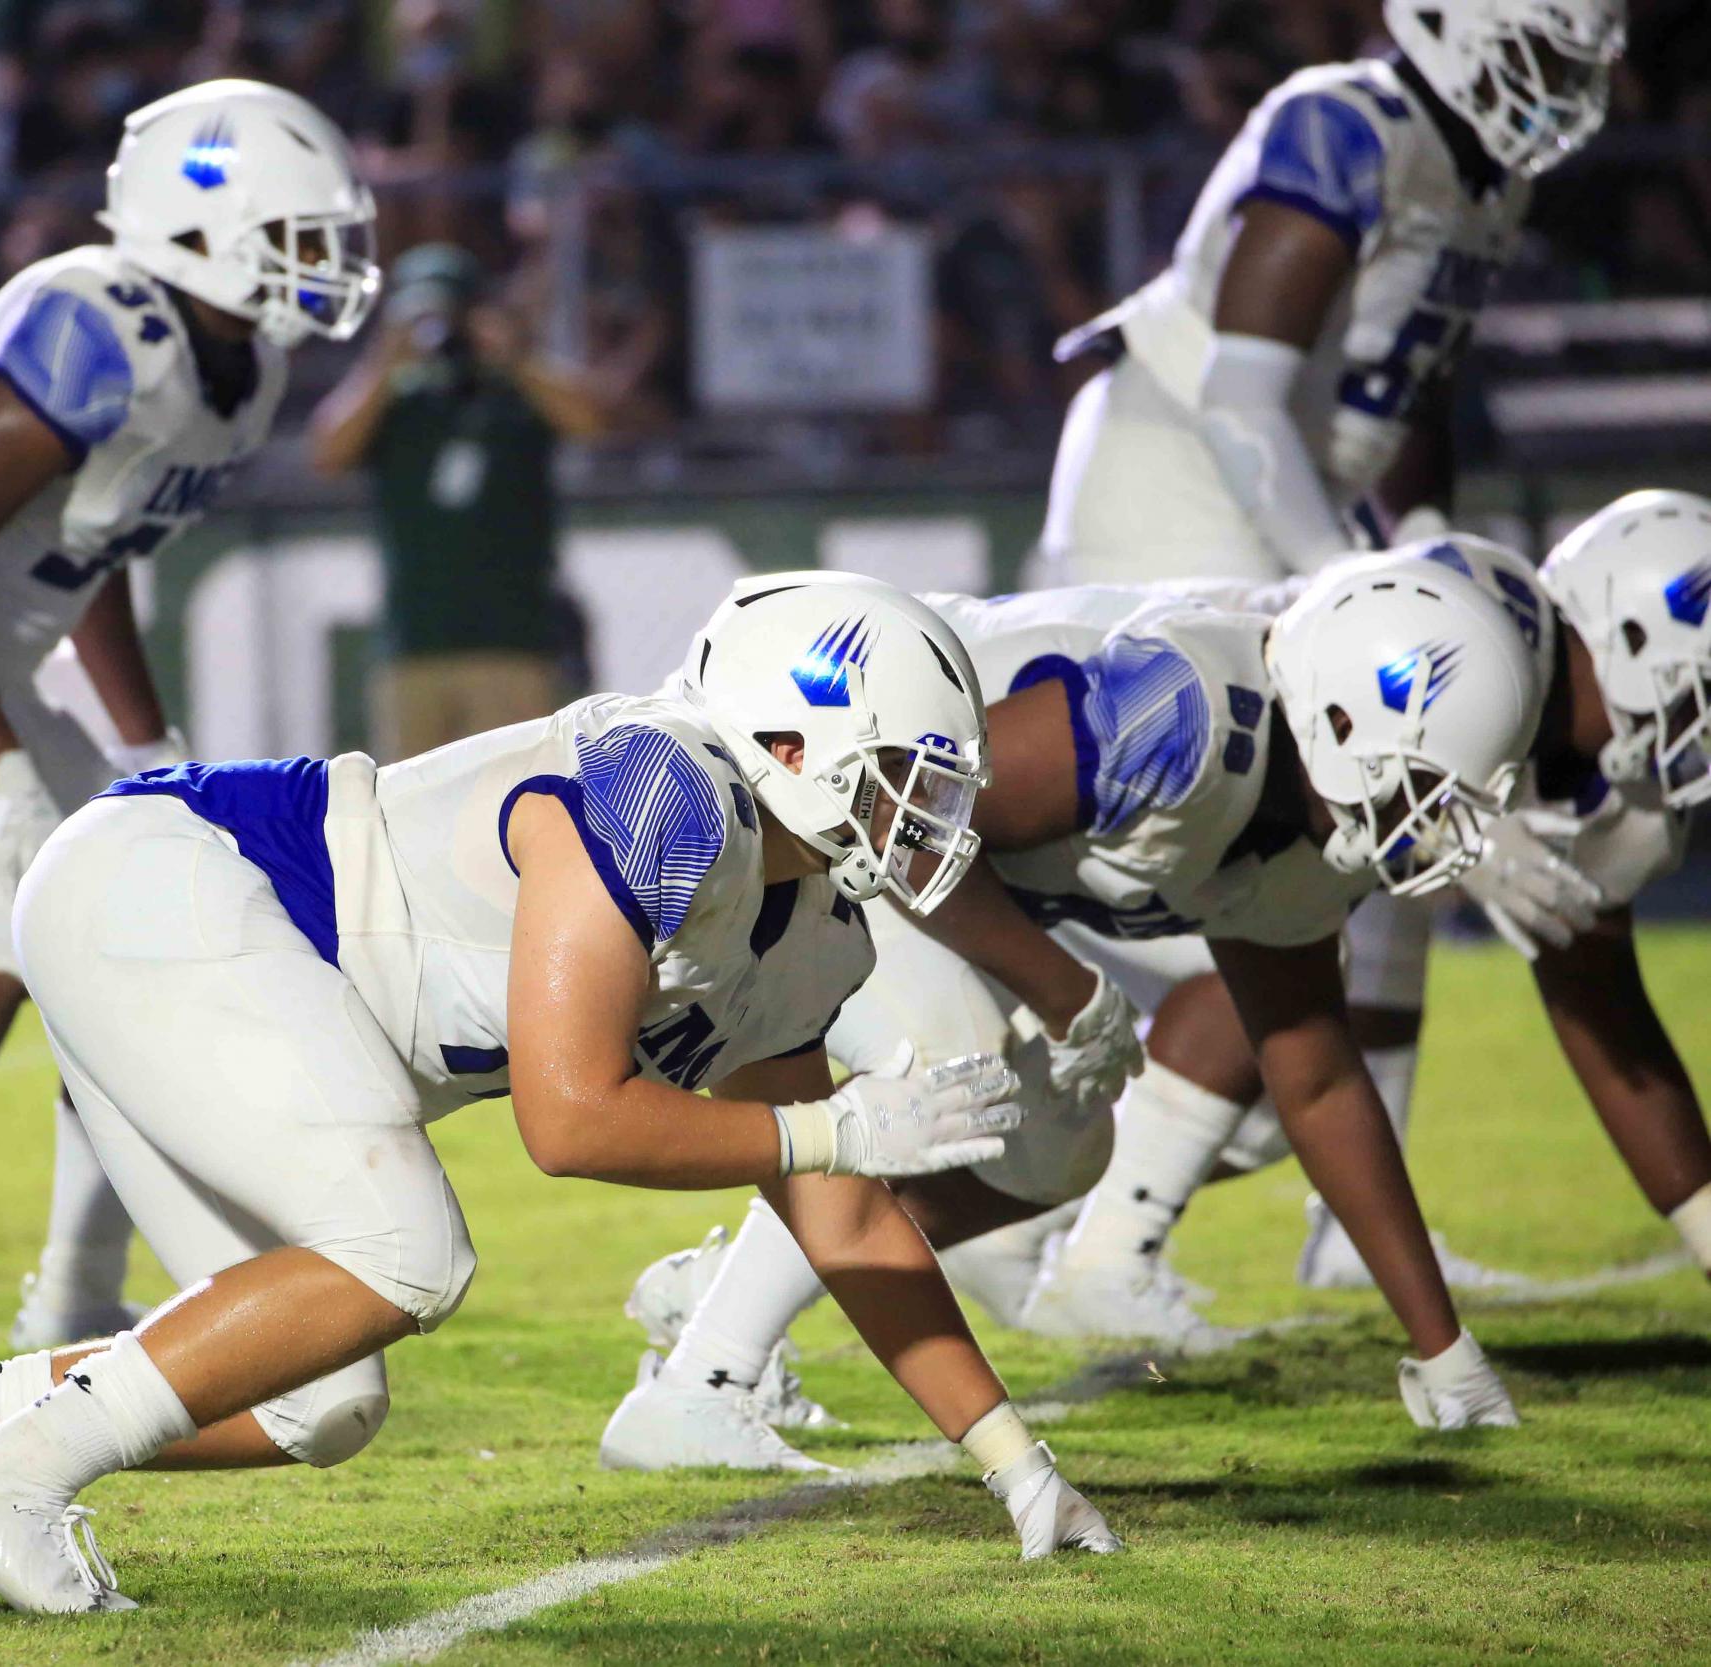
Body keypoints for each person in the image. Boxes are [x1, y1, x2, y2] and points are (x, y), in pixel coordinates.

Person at [0, 573, 1119, 1612]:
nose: (927, 818)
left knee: (315, 1401)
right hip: (173, 882)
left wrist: (1014, 1459)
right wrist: (828, 1123)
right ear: (792, 741)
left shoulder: (809, 922)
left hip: (243, 970)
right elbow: (568, 1117)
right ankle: (9, 1477)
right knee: (407, 1246)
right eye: (905, 775)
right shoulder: (670, 792)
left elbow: (849, 1221)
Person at [600, 548, 1549, 1471]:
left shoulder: (1305, 832)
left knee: (1054, 1139)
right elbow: (908, 821)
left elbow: (1317, 1075)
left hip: (892, 852)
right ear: (1342, 718)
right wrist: (1067, 988)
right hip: (801, 802)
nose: (1436, 826)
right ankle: (700, 1386)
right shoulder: (1176, 715)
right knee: (956, 1064)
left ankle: (727, 1300)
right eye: (1428, 787)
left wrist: (1443, 1346)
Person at [0, 79, 377, 1362]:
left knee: (134, 939)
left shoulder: (233, 362)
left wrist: (145, 744)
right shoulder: (100, 321)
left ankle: (77, 1293)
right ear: (201, 226)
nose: (324, 264)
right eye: (299, 234)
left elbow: (99, 547)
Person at [1030, 0, 1627, 1290]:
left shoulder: (1479, 176)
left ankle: (1347, 1243)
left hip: (1304, 507)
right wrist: (1362, 591)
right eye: (1541, 50)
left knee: (1382, 869)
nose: (1561, 86)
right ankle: (1099, 1242)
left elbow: (1400, 400)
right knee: (1284, 867)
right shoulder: (1341, 123)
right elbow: (1245, 397)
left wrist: (1418, 546)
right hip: (1183, 483)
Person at [1022, 502, 1711, 1331]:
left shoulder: (1613, 791)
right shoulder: (1479, 611)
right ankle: (1099, 1258)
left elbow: (1607, 1014)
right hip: (1134, 749)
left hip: (1218, 835)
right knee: (1275, 976)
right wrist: (1440, 826)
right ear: (1630, 635)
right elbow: (1335, 720)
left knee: (1293, 1077)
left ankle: (1064, 1247)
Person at [309, 242, 605, 761]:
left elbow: (593, 422)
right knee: (409, 812)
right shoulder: (397, 405)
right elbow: (328, 453)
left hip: (514, 643)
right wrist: (385, 360)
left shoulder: (515, 399)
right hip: (414, 648)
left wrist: (514, 356)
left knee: (516, 799)